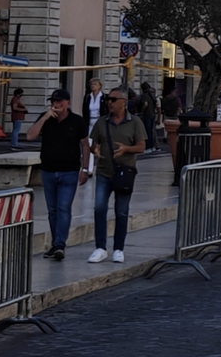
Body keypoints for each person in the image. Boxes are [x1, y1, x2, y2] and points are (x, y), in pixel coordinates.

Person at [88, 84, 145, 262]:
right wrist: (94, 149)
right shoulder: (101, 122)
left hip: (124, 172)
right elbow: (93, 144)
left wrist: (127, 149)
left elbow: (142, 147)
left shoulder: (135, 122)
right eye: (108, 100)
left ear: (124, 102)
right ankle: (100, 247)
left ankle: (118, 248)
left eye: (113, 100)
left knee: (121, 211)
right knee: (99, 208)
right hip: (104, 171)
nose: (109, 103)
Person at [37, 87, 87, 259]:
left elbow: (85, 145)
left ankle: (60, 244)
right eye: (53, 102)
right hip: (48, 170)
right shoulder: (47, 119)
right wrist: (44, 117)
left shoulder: (77, 121)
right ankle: (55, 243)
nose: (56, 105)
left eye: (59, 102)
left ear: (67, 103)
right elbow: (30, 135)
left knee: (63, 208)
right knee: (52, 210)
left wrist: (85, 168)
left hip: (69, 171)